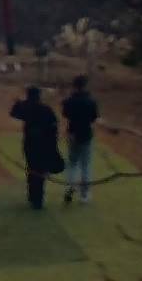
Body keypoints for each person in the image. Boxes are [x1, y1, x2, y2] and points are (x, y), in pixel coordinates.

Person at [11, 86, 62, 209]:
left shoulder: (26, 107)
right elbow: (54, 126)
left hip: (30, 144)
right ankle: (38, 199)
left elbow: (14, 113)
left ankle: (33, 196)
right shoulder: (46, 109)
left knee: (32, 169)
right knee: (40, 172)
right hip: (43, 145)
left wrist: (18, 103)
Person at [61, 75, 100, 205]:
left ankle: (70, 187)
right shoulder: (91, 101)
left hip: (72, 134)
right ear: (85, 85)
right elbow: (94, 118)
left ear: (74, 85)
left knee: (72, 163)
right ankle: (84, 195)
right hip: (86, 135)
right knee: (86, 165)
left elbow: (65, 114)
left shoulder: (68, 101)